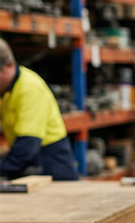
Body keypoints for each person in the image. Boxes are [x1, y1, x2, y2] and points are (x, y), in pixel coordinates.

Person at [0, 38, 79, 181]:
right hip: (30, 158)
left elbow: (28, 144)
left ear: (9, 66)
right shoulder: (5, 90)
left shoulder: (29, 89)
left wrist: (3, 170)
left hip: (51, 162)